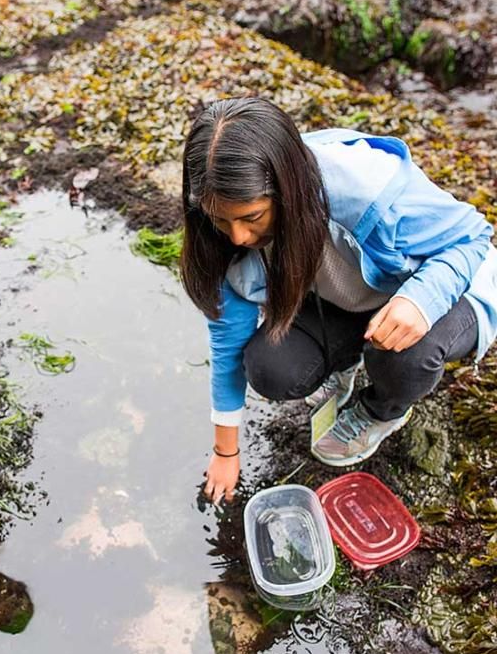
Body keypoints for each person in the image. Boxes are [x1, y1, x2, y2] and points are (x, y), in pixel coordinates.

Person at [181, 97, 497, 503]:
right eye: (221, 219)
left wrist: (421, 299)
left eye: (252, 217)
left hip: (452, 284)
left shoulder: (368, 190)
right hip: (350, 297)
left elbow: (472, 237)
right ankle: (345, 361)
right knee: (270, 368)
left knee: (403, 358)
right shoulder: (221, 240)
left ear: (286, 188)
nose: (238, 237)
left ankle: (383, 411)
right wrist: (226, 450)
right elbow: (228, 343)